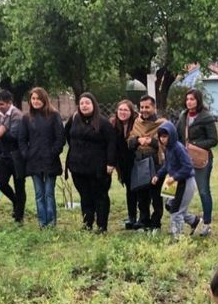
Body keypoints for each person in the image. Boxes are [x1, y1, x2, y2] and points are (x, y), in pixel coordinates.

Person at [64, 93, 116, 233]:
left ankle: (101, 226)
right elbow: (68, 136)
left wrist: (110, 163)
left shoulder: (103, 123)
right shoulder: (74, 119)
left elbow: (111, 143)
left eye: (87, 103)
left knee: (100, 197)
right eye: (82, 103)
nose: (84, 106)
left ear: (94, 104)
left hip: (98, 169)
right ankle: (87, 224)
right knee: (85, 197)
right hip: (78, 168)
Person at [20, 87, 65, 228]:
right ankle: (42, 223)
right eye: (33, 99)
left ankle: (51, 222)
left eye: (38, 98)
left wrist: (53, 152)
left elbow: (60, 138)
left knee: (49, 193)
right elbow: (22, 139)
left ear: (44, 99)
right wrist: (26, 153)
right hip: (34, 161)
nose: (36, 101)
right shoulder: (26, 118)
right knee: (39, 194)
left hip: (50, 160)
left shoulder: (54, 116)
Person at [175, 88, 217, 236]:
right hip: (185, 159)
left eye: (192, 99)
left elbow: (213, 140)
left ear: (198, 100)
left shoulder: (206, 117)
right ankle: (191, 220)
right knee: (180, 191)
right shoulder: (183, 116)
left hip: (201, 159)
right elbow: (178, 136)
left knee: (203, 190)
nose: (189, 102)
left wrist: (195, 145)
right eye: (187, 99)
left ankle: (207, 224)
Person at [151, 122, 201, 238]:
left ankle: (177, 236)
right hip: (176, 183)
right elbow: (167, 165)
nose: (163, 139)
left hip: (185, 182)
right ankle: (195, 221)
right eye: (161, 137)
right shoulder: (168, 148)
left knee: (176, 211)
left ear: (172, 135)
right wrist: (158, 175)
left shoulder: (178, 148)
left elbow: (188, 166)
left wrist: (174, 177)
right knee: (172, 207)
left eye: (165, 136)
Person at [128, 95, 167, 231]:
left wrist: (152, 142)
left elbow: (167, 143)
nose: (144, 110)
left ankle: (156, 222)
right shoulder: (137, 122)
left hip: (155, 162)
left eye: (147, 107)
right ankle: (144, 220)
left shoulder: (162, 123)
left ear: (154, 107)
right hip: (140, 161)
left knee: (155, 195)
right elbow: (130, 142)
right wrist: (138, 140)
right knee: (142, 194)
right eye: (142, 107)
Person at [0, 90, 27, 224]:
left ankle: (19, 216)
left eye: (1, 104)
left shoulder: (17, 115)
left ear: (9, 103)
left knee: (19, 185)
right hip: (3, 155)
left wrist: (1, 130)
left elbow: (14, 136)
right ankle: (15, 201)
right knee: (0, 182)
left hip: (16, 156)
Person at [111, 100, 140, 230]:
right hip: (123, 163)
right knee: (129, 190)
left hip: (137, 161)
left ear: (131, 112)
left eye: (126, 110)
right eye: (120, 110)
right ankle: (132, 217)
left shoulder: (137, 123)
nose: (122, 112)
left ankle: (143, 217)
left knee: (139, 190)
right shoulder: (113, 124)